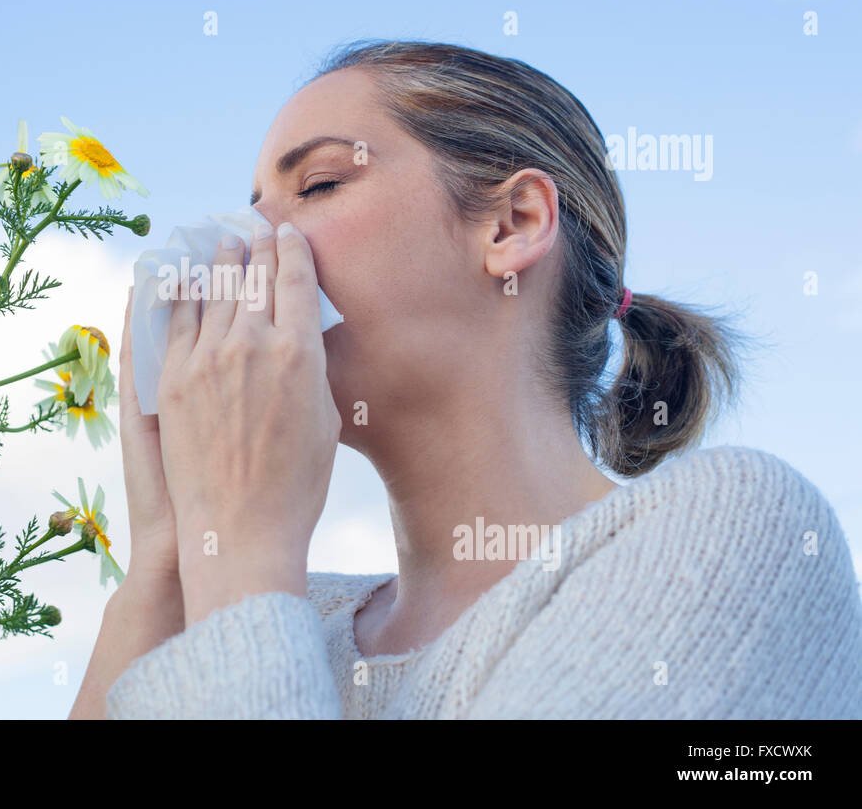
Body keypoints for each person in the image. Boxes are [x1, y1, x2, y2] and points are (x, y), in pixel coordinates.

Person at [70, 41, 862, 719]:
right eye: (251, 206)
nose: (241, 249)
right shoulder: (285, 608)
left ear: (511, 224)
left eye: (315, 187)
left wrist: (241, 564)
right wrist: (169, 564)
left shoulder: (729, 537)